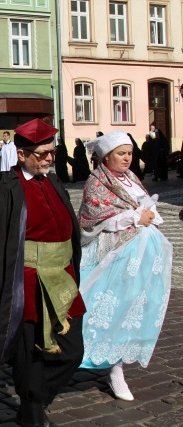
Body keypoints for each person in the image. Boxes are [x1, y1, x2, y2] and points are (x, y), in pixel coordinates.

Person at [0, 118, 86, 427]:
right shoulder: (6, 192)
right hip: (27, 281)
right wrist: (5, 294)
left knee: (71, 351)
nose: (49, 159)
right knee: (30, 352)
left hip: (62, 277)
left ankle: (37, 397)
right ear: (23, 154)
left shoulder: (53, 181)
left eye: (51, 152)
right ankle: (31, 409)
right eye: (42, 154)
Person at [78, 130, 171, 401]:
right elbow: (92, 219)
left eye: (129, 153)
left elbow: (144, 204)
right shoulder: (96, 182)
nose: (127, 158)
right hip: (112, 256)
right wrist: (132, 217)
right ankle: (105, 363)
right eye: (121, 154)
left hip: (142, 257)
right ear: (106, 157)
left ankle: (118, 361)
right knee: (107, 306)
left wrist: (148, 214)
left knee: (133, 306)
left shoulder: (131, 178)